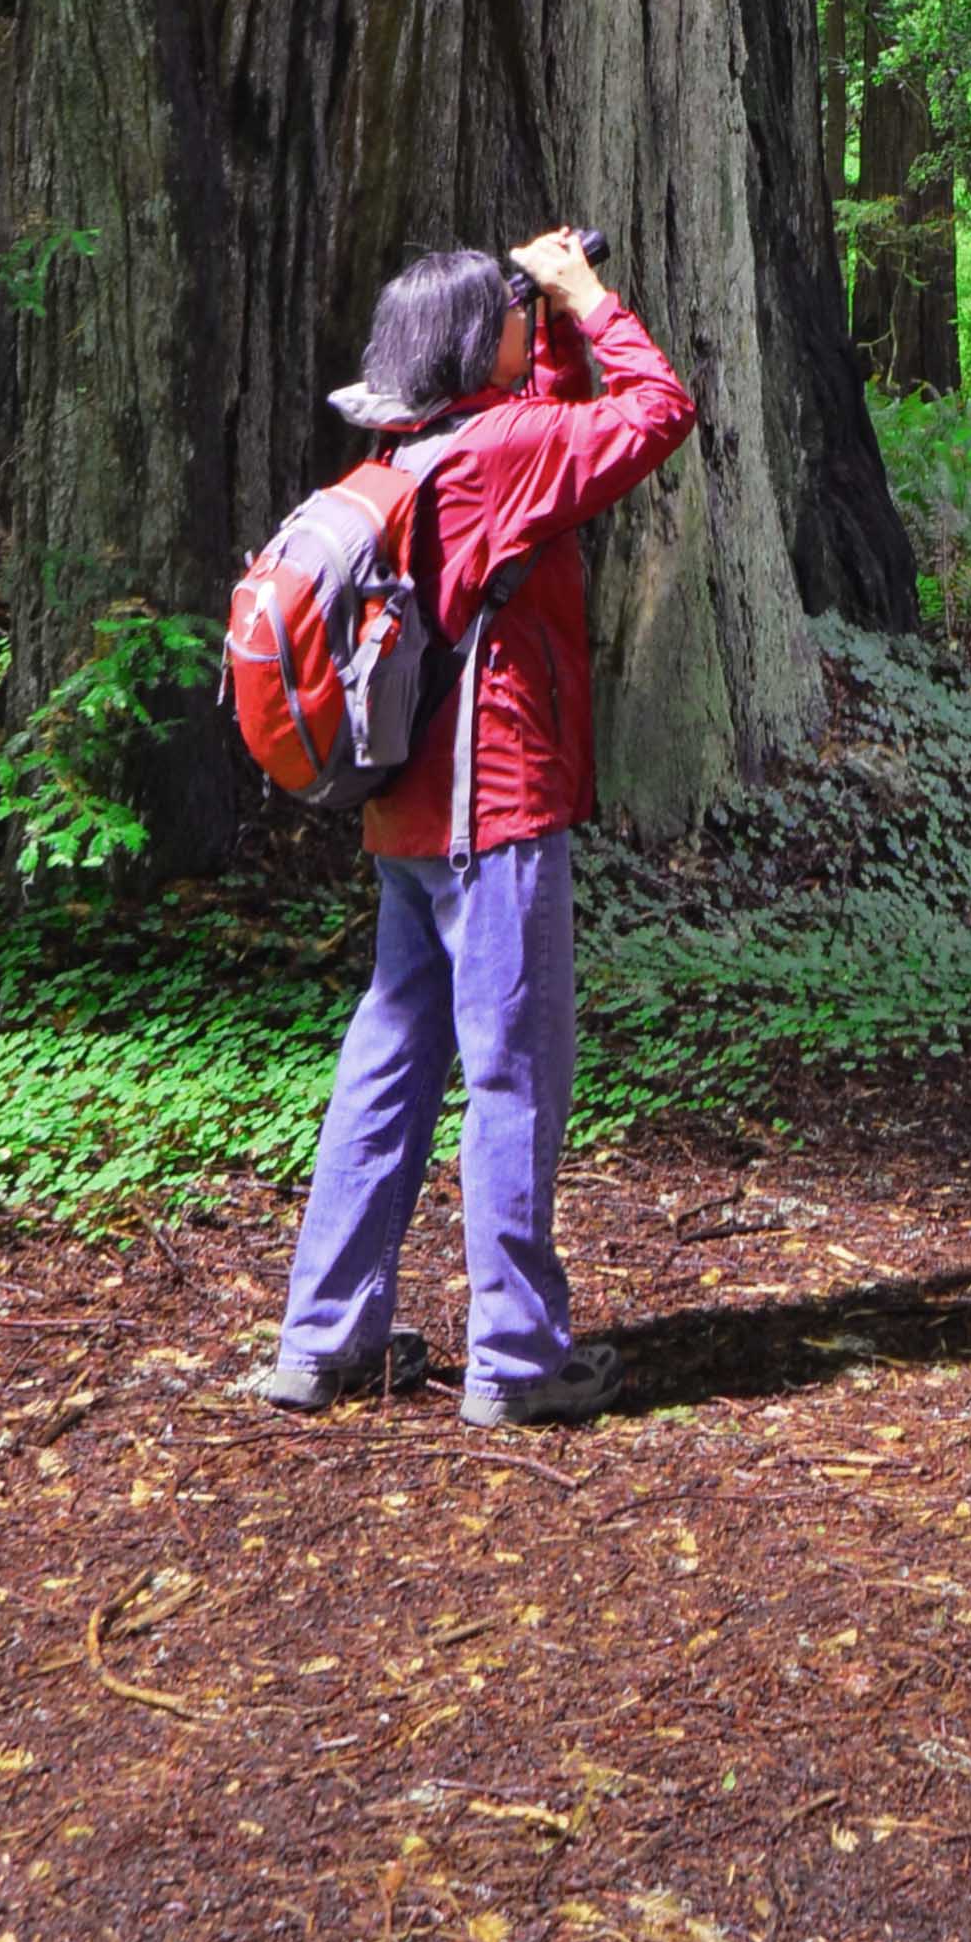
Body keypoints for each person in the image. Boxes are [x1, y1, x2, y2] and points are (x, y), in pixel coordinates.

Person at [253, 219, 695, 1427]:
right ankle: (515, 1358)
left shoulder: (416, 445)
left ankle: (322, 1337)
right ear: (468, 345)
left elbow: (544, 462)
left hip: (403, 814)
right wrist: (591, 298)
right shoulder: (504, 453)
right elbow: (657, 411)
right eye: (507, 308)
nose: (526, 311)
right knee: (513, 1074)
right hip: (489, 814)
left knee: (389, 1063)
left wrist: (541, 324)